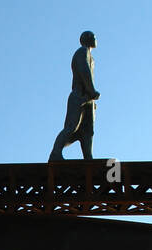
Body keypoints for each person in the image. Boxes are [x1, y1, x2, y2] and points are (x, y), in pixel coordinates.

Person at [48, 32, 99, 162]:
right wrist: (91, 90)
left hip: (88, 99)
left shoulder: (90, 57)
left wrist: (91, 98)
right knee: (72, 127)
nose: (95, 39)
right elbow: (84, 71)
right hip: (79, 96)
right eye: (94, 36)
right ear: (88, 39)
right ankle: (55, 153)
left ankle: (88, 157)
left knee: (87, 131)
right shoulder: (82, 52)